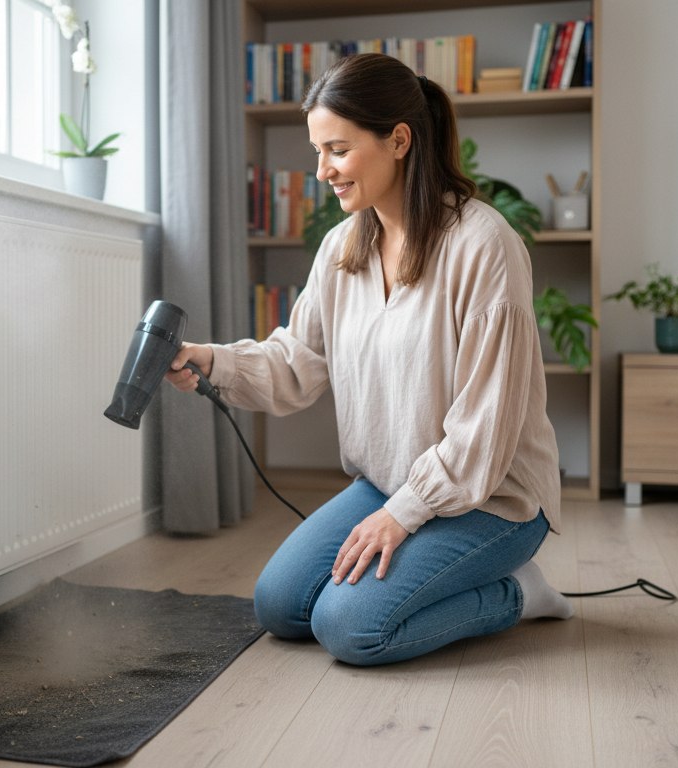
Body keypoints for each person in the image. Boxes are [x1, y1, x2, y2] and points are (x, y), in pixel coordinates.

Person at [165, 53, 573, 667]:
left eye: (338, 150)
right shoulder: (341, 248)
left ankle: (520, 593)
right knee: (279, 605)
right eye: (317, 152)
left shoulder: (485, 246)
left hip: (493, 497)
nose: (323, 170)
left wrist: (402, 517)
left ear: (400, 141)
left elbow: (484, 430)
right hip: (386, 483)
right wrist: (210, 361)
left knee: (350, 626)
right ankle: (432, 566)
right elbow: (297, 362)